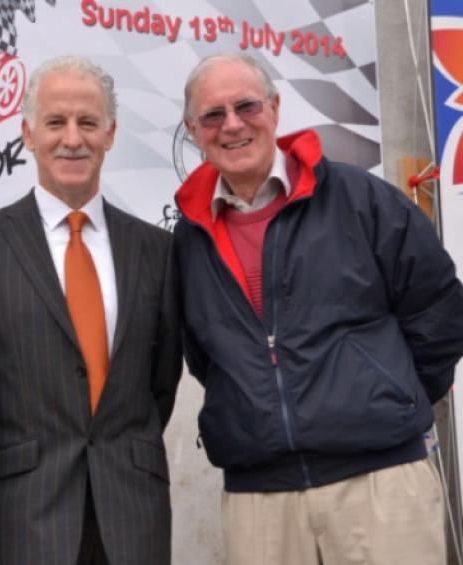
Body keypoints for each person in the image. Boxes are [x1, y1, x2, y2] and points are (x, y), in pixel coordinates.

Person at [173, 52, 463, 565]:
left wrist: (392, 394)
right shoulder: (189, 239)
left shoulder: (360, 199)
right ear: (194, 130)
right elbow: (204, 356)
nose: (232, 125)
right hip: (259, 499)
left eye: (246, 106)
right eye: (213, 115)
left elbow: (438, 308)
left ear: (276, 108)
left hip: (380, 483)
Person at [0, 55, 182, 565]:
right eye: (55, 122)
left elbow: (159, 385)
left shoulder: (156, 251)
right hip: (24, 512)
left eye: (88, 123)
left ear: (111, 134)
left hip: (132, 513)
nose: (72, 138)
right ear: (28, 134)